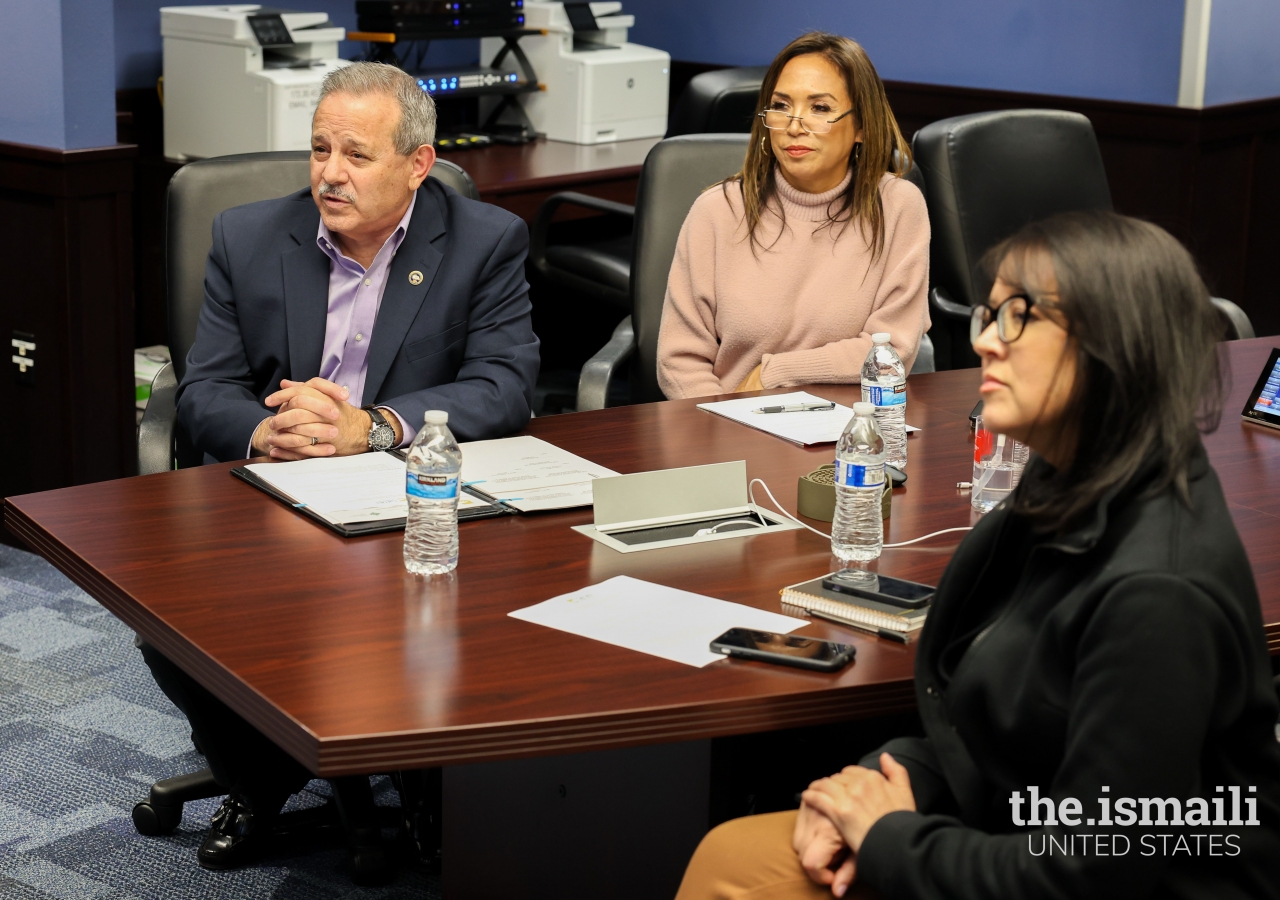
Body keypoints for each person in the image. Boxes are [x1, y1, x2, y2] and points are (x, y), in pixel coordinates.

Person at [675, 211, 1280, 899]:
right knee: (735, 853)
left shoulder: (1157, 593)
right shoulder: (1067, 483)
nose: (987, 342)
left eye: (1018, 317)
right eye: (987, 315)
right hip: (1005, 824)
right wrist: (874, 782)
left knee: (742, 877)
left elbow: (1092, 876)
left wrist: (889, 838)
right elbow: (992, 722)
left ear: (1116, 341)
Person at [141, 61, 539, 870]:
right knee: (168, 624)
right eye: (319, 149)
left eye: (356, 155)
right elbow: (201, 389)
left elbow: (505, 386)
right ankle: (262, 778)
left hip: (410, 498)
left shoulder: (485, 241)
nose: (329, 172)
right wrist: (264, 431)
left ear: (419, 166)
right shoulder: (246, 235)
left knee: (445, 615)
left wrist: (376, 426)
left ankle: (420, 774)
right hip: (272, 498)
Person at [656, 32, 928, 400]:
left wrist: (777, 373)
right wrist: (721, 422)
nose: (794, 125)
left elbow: (892, 349)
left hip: (851, 431)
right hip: (731, 423)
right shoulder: (717, 212)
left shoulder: (898, 207)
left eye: (820, 109)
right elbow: (680, 359)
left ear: (862, 126)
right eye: (781, 106)